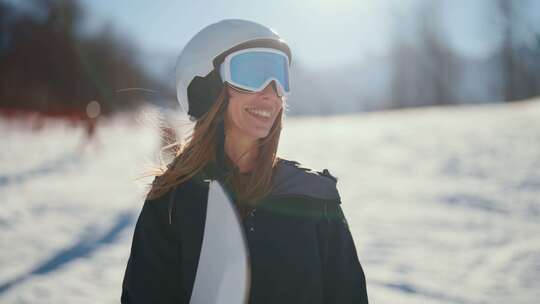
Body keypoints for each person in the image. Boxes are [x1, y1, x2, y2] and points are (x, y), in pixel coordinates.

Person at [121, 19, 368, 304]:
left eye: (279, 77)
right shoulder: (172, 201)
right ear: (209, 87)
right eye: (252, 73)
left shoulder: (313, 197)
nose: (270, 92)